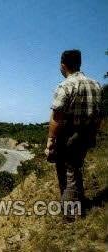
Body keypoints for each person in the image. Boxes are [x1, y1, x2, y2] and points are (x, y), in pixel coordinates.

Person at [45, 49, 102, 219]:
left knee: (67, 171)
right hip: (88, 133)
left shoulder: (65, 85)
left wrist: (50, 141)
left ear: (63, 65)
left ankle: (71, 214)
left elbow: (57, 117)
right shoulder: (96, 84)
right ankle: (79, 202)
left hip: (69, 134)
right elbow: (99, 113)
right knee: (76, 167)